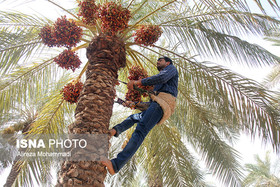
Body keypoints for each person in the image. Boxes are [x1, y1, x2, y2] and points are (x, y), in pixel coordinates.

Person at [101, 56, 179, 175]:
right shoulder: (159, 89)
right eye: (157, 60)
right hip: (158, 106)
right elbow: (151, 105)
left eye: (161, 60)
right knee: (133, 118)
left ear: (168, 63)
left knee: (140, 131)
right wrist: (135, 104)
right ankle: (113, 132)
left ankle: (116, 165)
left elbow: (161, 78)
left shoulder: (171, 69)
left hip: (162, 105)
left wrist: (137, 82)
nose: (157, 61)